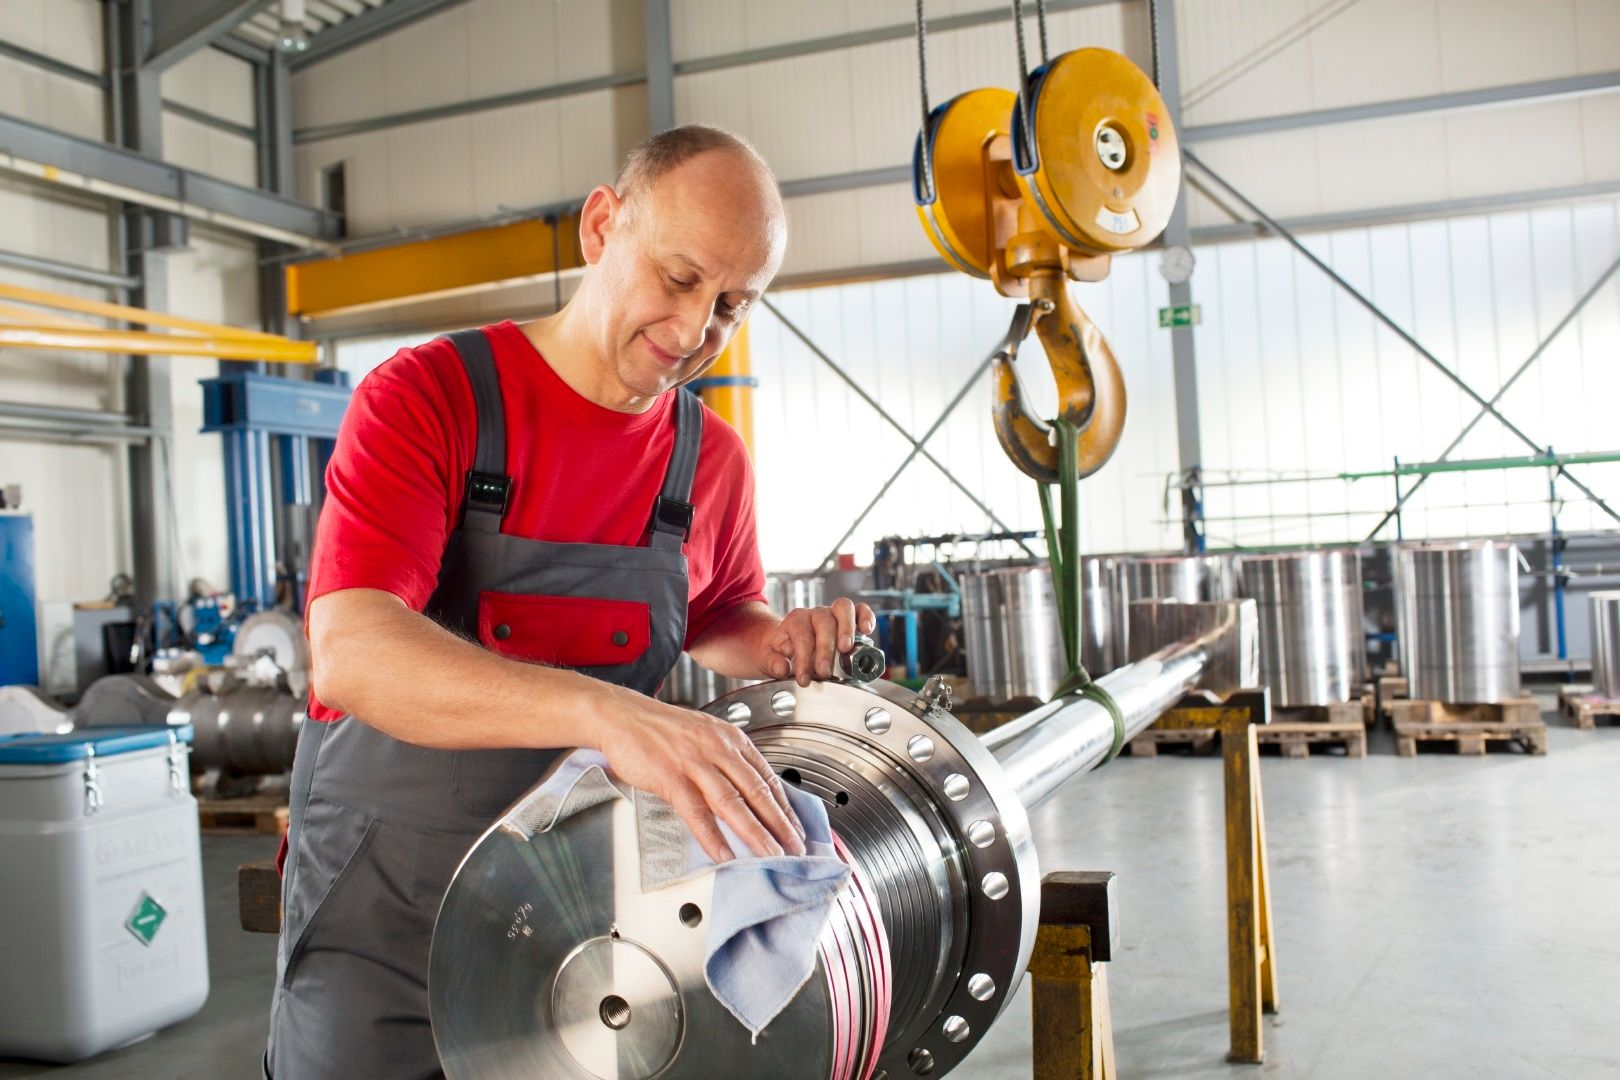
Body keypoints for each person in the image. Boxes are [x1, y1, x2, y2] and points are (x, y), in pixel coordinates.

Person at [266, 124, 875, 1078]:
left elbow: (717, 612)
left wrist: (774, 643)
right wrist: (608, 713)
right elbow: (355, 652)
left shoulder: (709, 460)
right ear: (601, 227)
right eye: (678, 278)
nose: (694, 333)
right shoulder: (430, 397)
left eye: (730, 306)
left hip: (584, 927)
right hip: (386, 918)